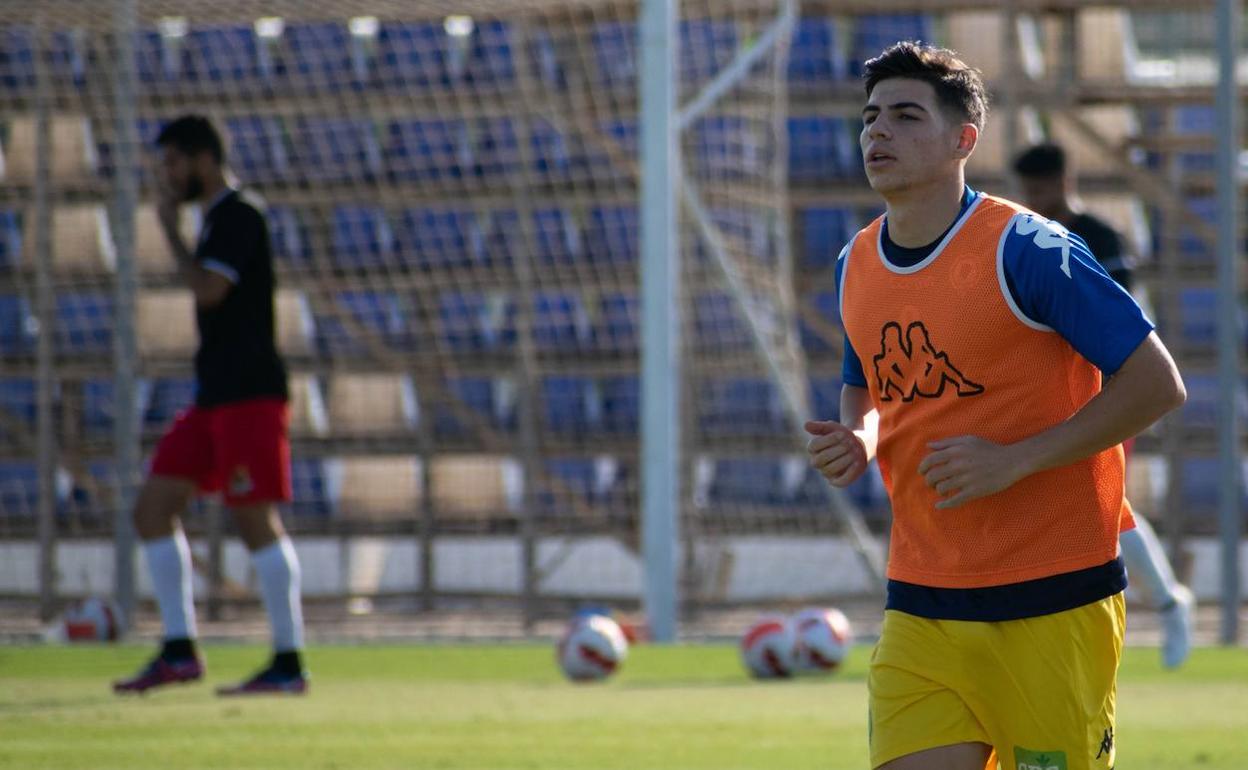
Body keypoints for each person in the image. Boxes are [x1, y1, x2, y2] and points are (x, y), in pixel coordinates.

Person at [805, 43, 1185, 770]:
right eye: (871, 117)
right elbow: (867, 382)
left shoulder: (1031, 250)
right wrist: (858, 434)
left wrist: (1015, 461)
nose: (877, 132)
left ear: (963, 141)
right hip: (922, 602)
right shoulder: (856, 262)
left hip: (1052, 599)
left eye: (906, 116)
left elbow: (1156, 383)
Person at [113, 115, 308, 696]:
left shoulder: (240, 214)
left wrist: (170, 231)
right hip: (214, 394)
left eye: (173, 163)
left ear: (203, 159)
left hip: (249, 393)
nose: (168, 176)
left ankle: (289, 661)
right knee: (152, 506)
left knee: (254, 520)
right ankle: (179, 649)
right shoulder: (217, 219)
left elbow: (210, 291)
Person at [1014, 141, 1195, 669]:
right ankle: (1164, 601)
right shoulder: (1021, 239)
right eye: (1029, 190)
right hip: (1041, 395)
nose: (1036, 199)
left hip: (1099, 393)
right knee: (1094, 507)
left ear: (1064, 181)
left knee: (1106, 505)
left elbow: (1123, 325)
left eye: (1043, 188)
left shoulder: (1100, 240)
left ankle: (1165, 601)